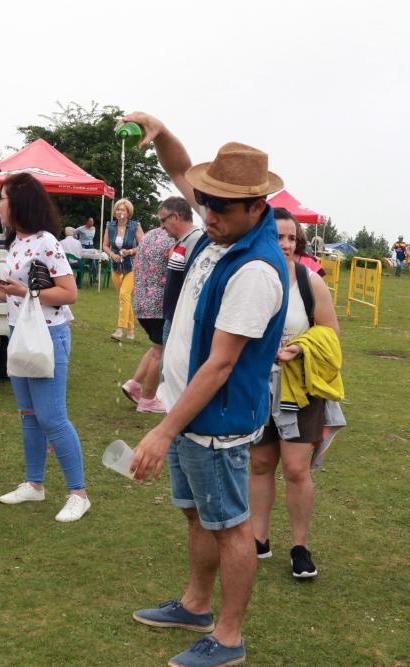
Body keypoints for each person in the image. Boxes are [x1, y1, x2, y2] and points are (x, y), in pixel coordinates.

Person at [121, 112, 288, 667]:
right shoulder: (225, 227)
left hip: (213, 422)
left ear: (256, 208)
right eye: (205, 201)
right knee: (197, 514)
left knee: (232, 527)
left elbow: (219, 366)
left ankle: (229, 636)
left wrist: (163, 431)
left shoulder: (256, 269)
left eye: (219, 206)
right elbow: (179, 171)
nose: (206, 211)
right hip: (186, 411)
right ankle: (195, 604)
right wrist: (160, 131)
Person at [0, 173, 90, 522]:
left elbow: (68, 292)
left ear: (20, 202)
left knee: (52, 417)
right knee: (29, 416)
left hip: (48, 336)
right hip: (21, 333)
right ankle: (35, 484)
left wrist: (22, 292)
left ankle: (79, 493)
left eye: (2, 197)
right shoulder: (17, 242)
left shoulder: (46, 242)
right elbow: (21, 291)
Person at [249, 209, 342, 580]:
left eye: (291, 239)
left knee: (296, 468)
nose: (286, 245)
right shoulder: (251, 279)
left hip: (299, 387)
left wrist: (299, 348)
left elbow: (331, 335)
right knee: (259, 464)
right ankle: (259, 538)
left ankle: (300, 547)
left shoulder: (310, 282)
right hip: (257, 385)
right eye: (278, 237)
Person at [124, 218, 174, 414]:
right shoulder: (172, 240)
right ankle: (148, 400)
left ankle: (134, 384)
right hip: (159, 304)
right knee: (160, 354)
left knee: (156, 347)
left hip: (142, 302)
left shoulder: (150, 235)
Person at [103, 198, 144, 341]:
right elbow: (105, 245)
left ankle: (120, 329)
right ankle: (131, 330)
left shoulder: (135, 226)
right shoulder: (110, 226)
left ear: (128, 213)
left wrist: (131, 251)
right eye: (118, 209)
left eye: (123, 210)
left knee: (124, 295)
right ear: (115, 212)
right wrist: (112, 254)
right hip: (116, 267)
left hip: (132, 266)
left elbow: (143, 246)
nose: (120, 212)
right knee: (123, 298)